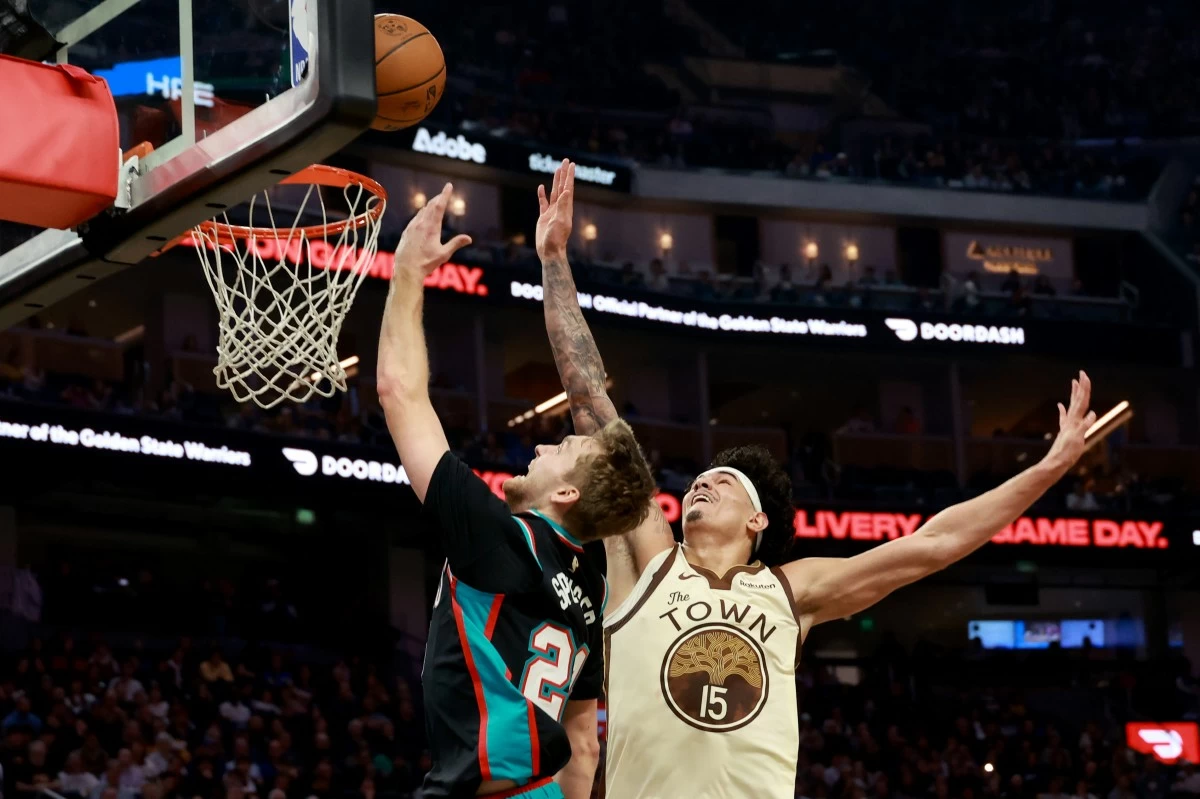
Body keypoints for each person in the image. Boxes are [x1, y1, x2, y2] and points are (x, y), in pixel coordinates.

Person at [536, 159, 1098, 798]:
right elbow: (588, 397)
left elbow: (934, 545)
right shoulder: (647, 557)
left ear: (758, 520)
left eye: (722, 484)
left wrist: (1048, 470)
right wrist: (554, 259)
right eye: (697, 480)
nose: (701, 485)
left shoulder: (793, 589)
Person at [376, 183, 657, 799]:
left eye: (563, 451)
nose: (542, 445)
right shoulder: (590, 590)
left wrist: (405, 274)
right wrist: (552, 261)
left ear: (567, 497)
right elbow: (583, 745)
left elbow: (400, 394)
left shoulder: (506, 541)